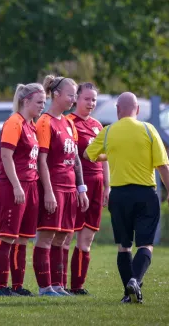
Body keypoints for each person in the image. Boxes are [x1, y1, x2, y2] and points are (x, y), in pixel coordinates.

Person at [84, 92, 169, 304]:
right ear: (137, 110)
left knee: (124, 246)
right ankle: (135, 281)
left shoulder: (108, 131)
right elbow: (163, 165)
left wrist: (110, 154)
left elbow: (88, 155)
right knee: (146, 244)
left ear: (118, 110)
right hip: (145, 194)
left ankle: (129, 294)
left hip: (119, 195)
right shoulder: (148, 129)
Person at [33, 75, 89, 297]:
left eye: (75, 95)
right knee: (46, 236)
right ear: (56, 95)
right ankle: (44, 287)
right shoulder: (45, 122)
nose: (73, 99)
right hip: (54, 186)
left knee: (63, 237)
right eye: (70, 95)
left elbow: (75, 159)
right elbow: (42, 160)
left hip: (69, 189)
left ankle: (57, 285)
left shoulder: (68, 123)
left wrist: (81, 188)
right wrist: (48, 191)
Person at [0, 82, 46, 296]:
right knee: (7, 236)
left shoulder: (31, 125)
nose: (42, 106)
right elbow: (6, 156)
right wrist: (16, 185)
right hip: (13, 185)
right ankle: (0, 287)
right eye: (39, 102)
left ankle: (17, 286)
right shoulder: (14, 122)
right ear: (26, 101)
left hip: (30, 185)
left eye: (44, 102)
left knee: (23, 238)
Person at [62, 82, 110, 295]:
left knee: (87, 237)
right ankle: (59, 285)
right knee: (66, 235)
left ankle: (78, 286)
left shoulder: (98, 126)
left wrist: (108, 185)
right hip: (77, 184)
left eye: (94, 100)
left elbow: (104, 158)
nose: (91, 103)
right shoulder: (68, 122)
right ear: (76, 99)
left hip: (97, 185)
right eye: (87, 99)